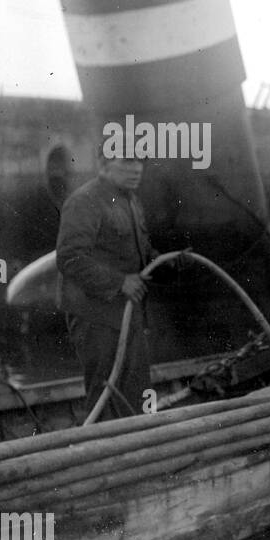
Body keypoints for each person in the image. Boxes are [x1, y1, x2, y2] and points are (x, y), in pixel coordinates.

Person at [56, 154, 157, 421]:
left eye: (139, 161)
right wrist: (120, 282)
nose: (136, 168)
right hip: (96, 317)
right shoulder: (85, 201)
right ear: (103, 165)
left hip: (128, 314)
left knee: (135, 393)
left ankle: (134, 453)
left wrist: (168, 262)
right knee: (105, 394)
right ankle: (102, 453)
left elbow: (140, 254)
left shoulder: (131, 201)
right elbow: (70, 258)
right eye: (126, 161)